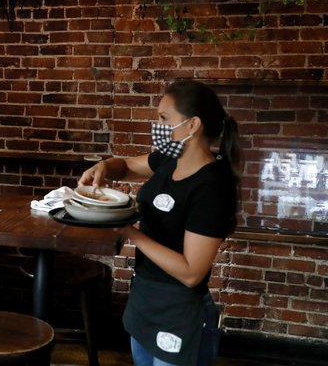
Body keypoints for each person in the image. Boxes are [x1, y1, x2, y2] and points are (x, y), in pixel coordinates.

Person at [78, 80, 241, 366]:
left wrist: (130, 231)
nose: (158, 126)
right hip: (145, 300)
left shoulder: (213, 184)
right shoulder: (169, 159)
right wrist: (104, 166)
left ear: (192, 126)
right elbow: (127, 165)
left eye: (164, 118)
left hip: (179, 312)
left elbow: (191, 272)